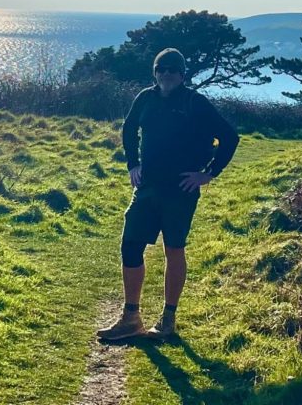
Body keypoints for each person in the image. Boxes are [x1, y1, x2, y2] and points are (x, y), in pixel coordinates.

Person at [97, 46, 239, 342]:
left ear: (182, 74)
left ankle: (168, 320)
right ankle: (131, 318)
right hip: (147, 187)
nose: (166, 74)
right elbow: (128, 129)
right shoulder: (145, 98)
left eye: (172, 69)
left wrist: (209, 173)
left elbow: (229, 137)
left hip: (180, 191)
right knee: (130, 246)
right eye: (161, 69)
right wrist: (132, 164)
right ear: (155, 73)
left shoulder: (195, 102)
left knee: (174, 249)